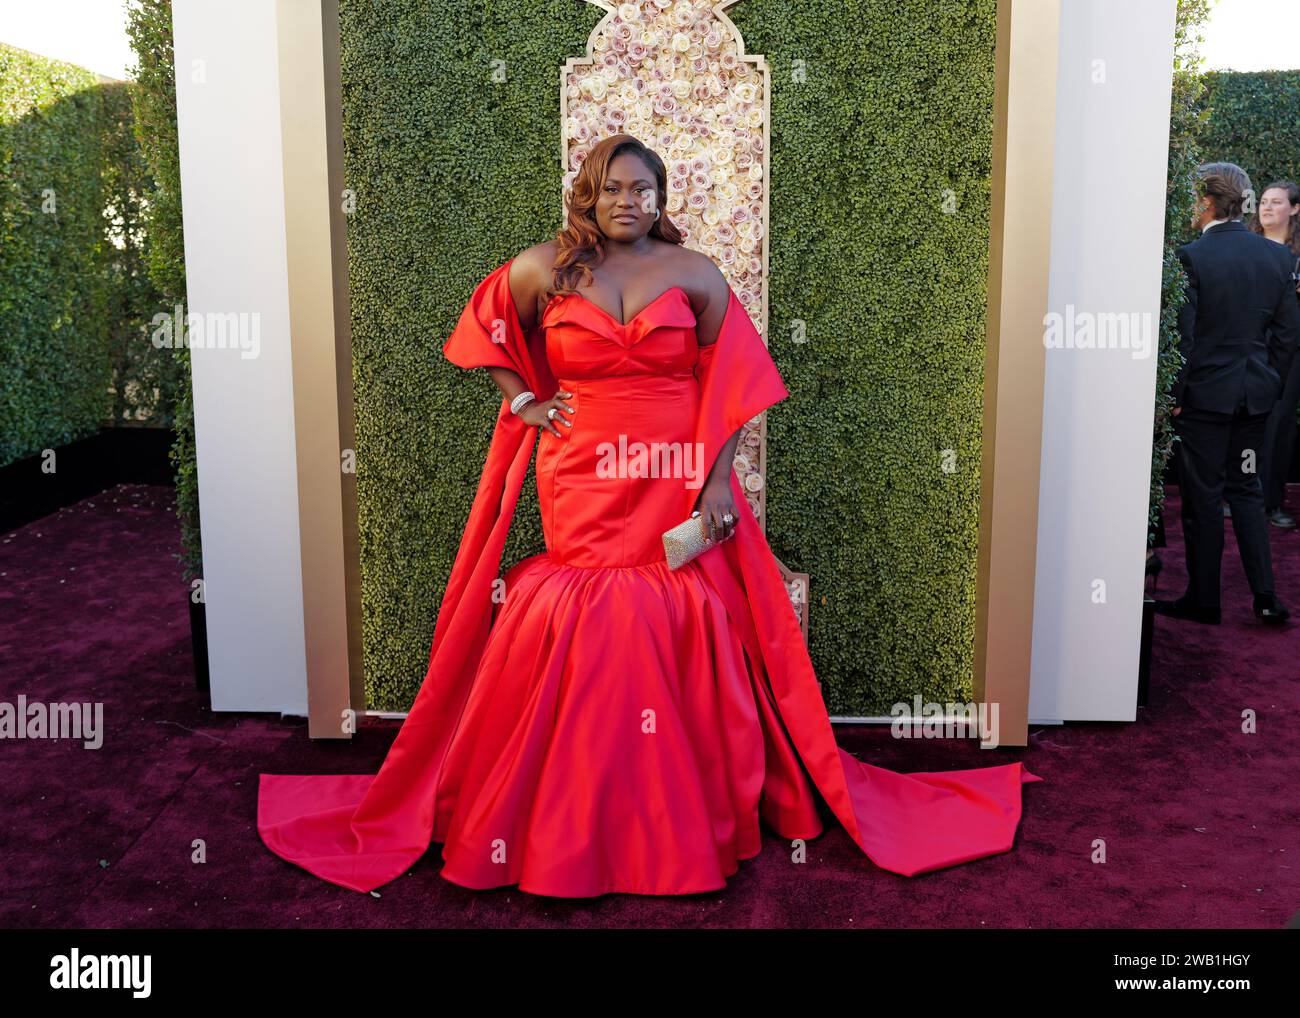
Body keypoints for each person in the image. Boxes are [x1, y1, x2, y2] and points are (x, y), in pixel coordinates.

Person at [257, 135, 1040, 898]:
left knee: (673, 598)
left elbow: (729, 380)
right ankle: (570, 806)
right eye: (613, 189)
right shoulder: (546, 268)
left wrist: (718, 482)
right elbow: (485, 330)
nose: (628, 202)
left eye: (643, 189)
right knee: (588, 598)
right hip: (580, 465)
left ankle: (669, 808)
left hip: (673, 465)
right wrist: (523, 400)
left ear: (661, 198)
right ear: (587, 195)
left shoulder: (694, 273)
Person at [1155, 162, 1300, 626]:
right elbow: (1287, 335)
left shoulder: (1191, 257)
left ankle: (1205, 600)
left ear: (1205, 203)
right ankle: (1265, 597)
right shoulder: (1278, 259)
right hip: (1252, 401)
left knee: (1203, 496)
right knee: (1246, 488)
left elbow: (1185, 338)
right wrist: (1269, 382)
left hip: (1204, 402)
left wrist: (1174, 394)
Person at [1249, 180, 1300, 528]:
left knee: (1279, 422)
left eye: (1276, 202)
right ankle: (1242, 493)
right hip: (1249, 347)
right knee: (1245, 422)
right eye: (1263, 202)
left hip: (1291, 351)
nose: (1266, 208)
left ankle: (1272, 502)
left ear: (1294, 209)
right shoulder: (1247, 248)